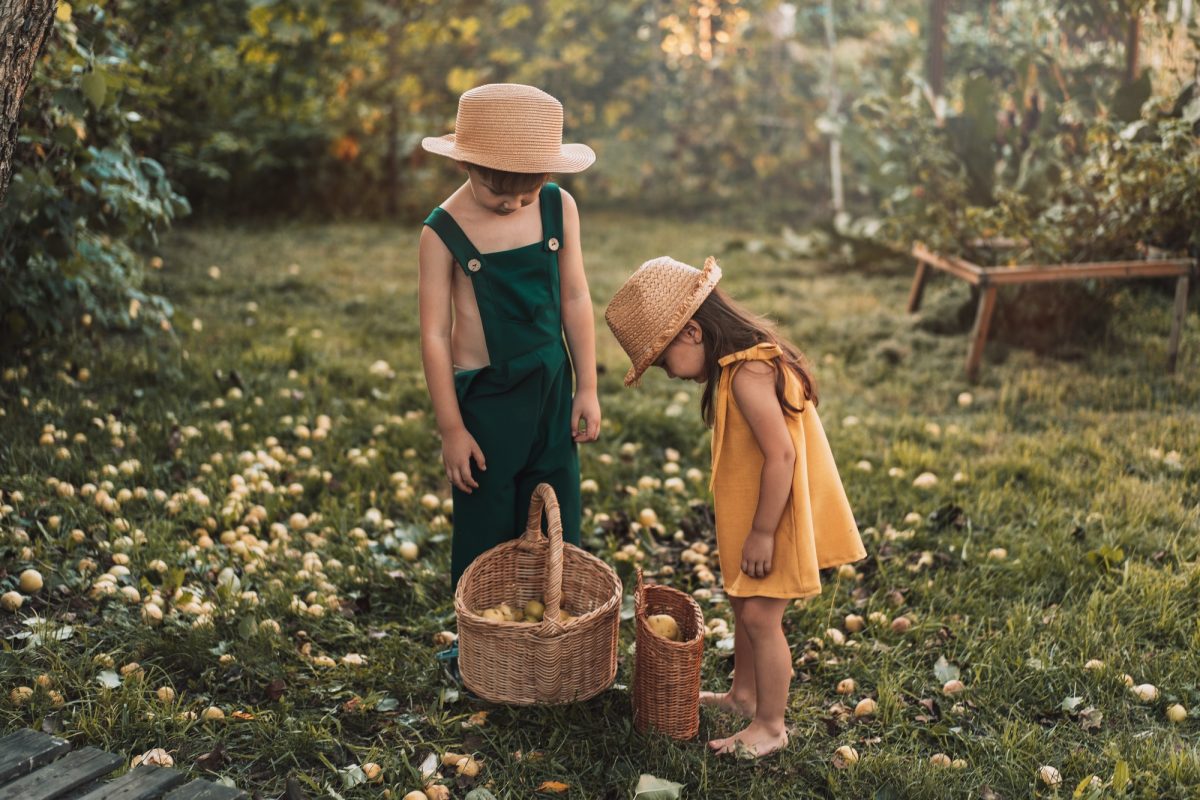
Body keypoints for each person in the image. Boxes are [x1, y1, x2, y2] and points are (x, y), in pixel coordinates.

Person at [605, 256, 865, 758]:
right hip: (755, 519)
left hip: (775, 520)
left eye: (661, 360)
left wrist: (764, 532)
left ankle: (770, 724)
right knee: (746, 608)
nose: (666, 373)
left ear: (693, 333)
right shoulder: (734, 369)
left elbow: (781, 455)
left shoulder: (749, 372)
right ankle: (744, 697)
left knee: (763, 620)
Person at [418, 83, 601, 614]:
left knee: (555, 506)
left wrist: (586, 386)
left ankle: (555, 624)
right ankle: (482, 628)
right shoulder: (442, 232)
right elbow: (434, 334)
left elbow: (575, 296)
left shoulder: (557, 207)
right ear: (466, 165)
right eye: (499, 190)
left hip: (550, 385)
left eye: (527, 190)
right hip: (487, 401)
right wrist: (452, 428)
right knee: (486, 516)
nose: (514, 203)